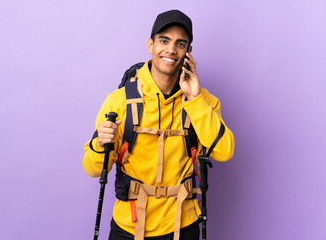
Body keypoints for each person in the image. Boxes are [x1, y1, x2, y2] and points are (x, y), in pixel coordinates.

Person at [83, 9, 235, 240]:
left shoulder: (204, 101)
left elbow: (224, 152)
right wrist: (99, 143)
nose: (171, 50)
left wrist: (195, 101)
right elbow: (93, 168)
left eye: (180, 44)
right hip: (129, 227)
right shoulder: (119, 101)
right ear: (150, 44)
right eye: (164, 41)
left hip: (184, 226)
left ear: (188, 52)